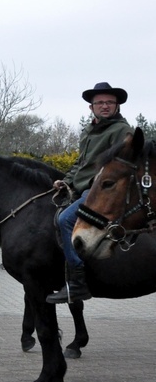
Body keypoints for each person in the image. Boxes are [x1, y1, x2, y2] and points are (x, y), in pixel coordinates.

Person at [47, 82, 132, 304]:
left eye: (109, 102)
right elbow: (80, 163)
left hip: (99, 193)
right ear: (91, 107)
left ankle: (77, 283)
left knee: (65, 220)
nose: (104, 106)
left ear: (117, 106)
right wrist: (65, 182)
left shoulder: (122, 131)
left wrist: (92, 186)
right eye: (100, 103)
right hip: (80, 188)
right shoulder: (88, 130)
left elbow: (118, 168)